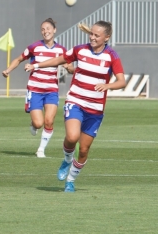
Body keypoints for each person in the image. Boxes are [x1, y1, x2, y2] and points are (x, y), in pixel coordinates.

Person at [25, 21, 125, 193]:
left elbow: (122, 81)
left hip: (95, 109)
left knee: (84, 150)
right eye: (91, 34)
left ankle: (71, 180)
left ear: (106, 37)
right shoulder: (80, 49)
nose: (92, 37)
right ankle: (66, 159)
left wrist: (108, 86)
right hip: (75, 101)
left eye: (96, 35)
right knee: (72, 137)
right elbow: (59, 60)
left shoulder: (112, 56)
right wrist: (36, 65)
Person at [2, 18, 70, 157]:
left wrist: (70, 68)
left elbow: (70, 67)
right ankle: (33, 124)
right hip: (35, 90)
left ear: (54, 30)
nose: (46, 32)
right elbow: (19, 59)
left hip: (51, 90)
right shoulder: (34, 47)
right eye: (43, 29)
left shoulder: (61, 50)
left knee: (49, 121)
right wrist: (8, 70)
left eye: (48, 29)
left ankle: (41, 150)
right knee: (39, 123)